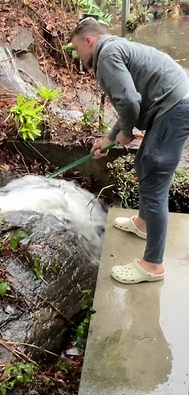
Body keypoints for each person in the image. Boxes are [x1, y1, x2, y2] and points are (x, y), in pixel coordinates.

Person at [71, 17, 189, 284]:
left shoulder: (107, 55)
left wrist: (124, 133)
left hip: (175, 108)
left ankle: (152, 265)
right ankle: (144, 224)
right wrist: (111, 138)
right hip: (171, 104)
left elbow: (130, 102)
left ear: (89, 41)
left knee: (155, 178)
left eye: (78, 49)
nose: (79, 56)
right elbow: (129, 102)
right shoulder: (112, 49)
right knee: (143, 164)